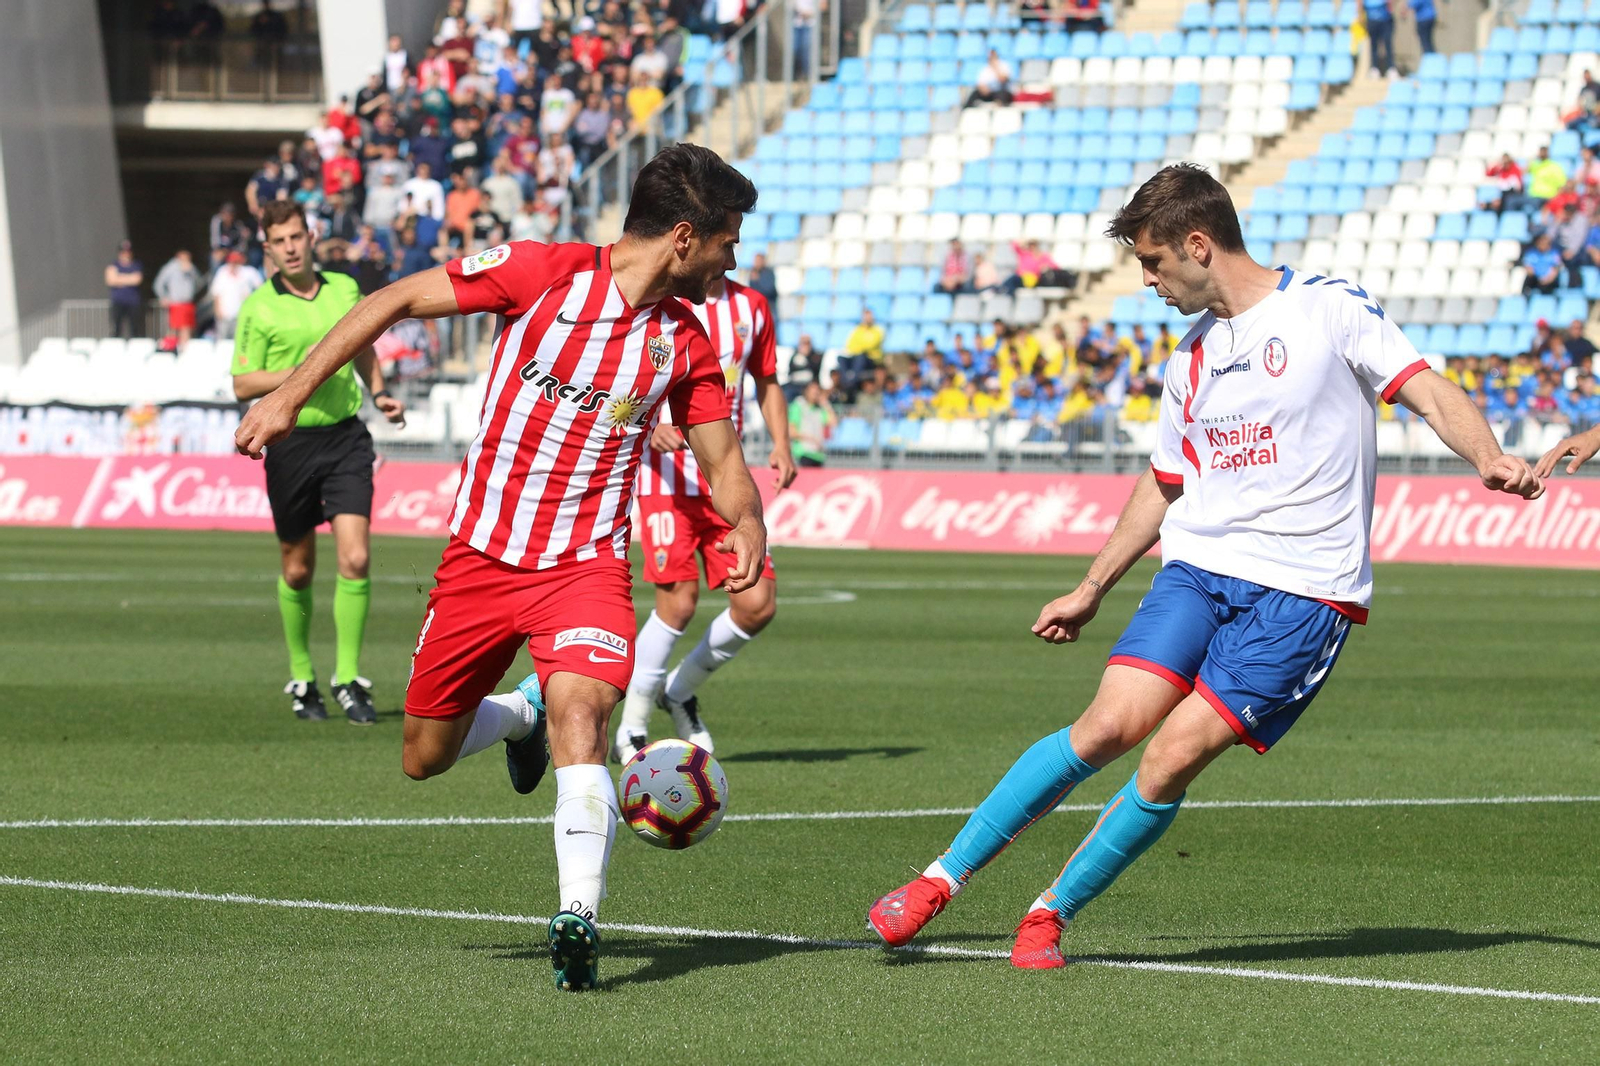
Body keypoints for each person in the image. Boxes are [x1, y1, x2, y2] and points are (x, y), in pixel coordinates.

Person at [865, 163, 1542, 967]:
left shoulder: (1329, 307)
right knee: (1105, 727)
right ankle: (940, 880)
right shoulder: (1189, 356)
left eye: (1153, 263)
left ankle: (1049, 914)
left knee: (1170, 754)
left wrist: (1487, 456)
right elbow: (1165, 482)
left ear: (1198, 244)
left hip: (1304, 594)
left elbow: (1426, 388)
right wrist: (1091, 587)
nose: (1147, 280)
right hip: (1198, 569)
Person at [233, 145, 766, 993]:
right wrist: (292, 392)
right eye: (726, 240)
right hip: (480, 558)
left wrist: (747, 523)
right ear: (681, 237)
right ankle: (516, 718)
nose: (733, 258)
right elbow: (398, 296)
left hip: (585, 567)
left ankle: (577, 918)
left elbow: (724, 453)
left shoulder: (686, 341)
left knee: (583, 716)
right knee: (423, 754)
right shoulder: (540, 273)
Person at [231, 202, 407, 725]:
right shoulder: (259, 308)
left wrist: (378, 391)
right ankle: (302, 674)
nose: (289, 247)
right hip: (290, 443)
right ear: (267, 248)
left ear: (310, 238)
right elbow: (242, 382)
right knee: (298, 566)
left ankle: (349, 678)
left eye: (295, 237)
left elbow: (364, 343)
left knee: (354, 558)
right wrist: (308, 367)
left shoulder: (345, 290)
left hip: (346, 438)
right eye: (278, 240)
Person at [616, 272, 797, 760]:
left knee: (757, 604)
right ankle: (631, 726)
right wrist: (648, 423)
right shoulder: (658, 302)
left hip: (725, 483)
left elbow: (768, 380)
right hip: (666, 481)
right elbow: (620, 375)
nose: (730, 251)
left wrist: (782, 443)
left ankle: (677, 691)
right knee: (678, 602)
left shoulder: (752, 307)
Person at [153, 248, 200, 348]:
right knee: (174, 328)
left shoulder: (191, 268)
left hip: (188, 303)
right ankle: (172, 349)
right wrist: (164, 297)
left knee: (187, 328)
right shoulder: (170, 267)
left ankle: (185, 349)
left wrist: (191, 270)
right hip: (176, 303)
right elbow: (158, 284)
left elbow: (198, 283)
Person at [789, 380, 834, 466]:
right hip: (803, 454)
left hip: (818, 455)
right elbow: (792, 432)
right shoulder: (798, 406)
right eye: (813, 390)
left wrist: (825, 403)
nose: (815, 393)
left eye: (817, 391)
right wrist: (812, 439)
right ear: (806, 391)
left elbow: (833, 422)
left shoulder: (820, 409)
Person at [105, 240, 144, 339]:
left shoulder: (136, 265)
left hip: (133, 301)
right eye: (124, 252)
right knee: (116, 328)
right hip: (118, 301)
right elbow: (111, 280)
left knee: (135, 328)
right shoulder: (113, 265)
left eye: (128, 251)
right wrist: (129, 278)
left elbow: (137, 280)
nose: (126, 254)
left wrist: (119, 278)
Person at [1363, 0, 1395, 78]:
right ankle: (1374, 68)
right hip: (1372, 22)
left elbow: (1390, 6)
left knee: (1388, 44)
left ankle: (1391, 68)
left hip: (1385, 21)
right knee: (1374, 46)